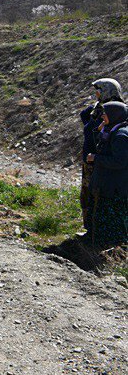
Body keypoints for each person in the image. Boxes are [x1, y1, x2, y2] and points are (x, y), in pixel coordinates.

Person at [79, 78, 124, 232]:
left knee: (96, 198)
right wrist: (96, 107)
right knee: (86, 197)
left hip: (102, 162)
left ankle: (96, 232)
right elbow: (84, 115)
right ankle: (89, 230)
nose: (96, 94)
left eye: (99, 90)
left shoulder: (116, 112)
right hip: (91, 159)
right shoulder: (98, 110)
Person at [86, 101, 128, 248]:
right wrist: (99, 131)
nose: (103, 115)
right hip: (108, 185)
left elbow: (119, 161)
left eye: (106, 113)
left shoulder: (121, 136)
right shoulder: (112, 130)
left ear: (115, 115)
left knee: (114, 222)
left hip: (115, 188)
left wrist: (96, 159)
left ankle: (113, 253)